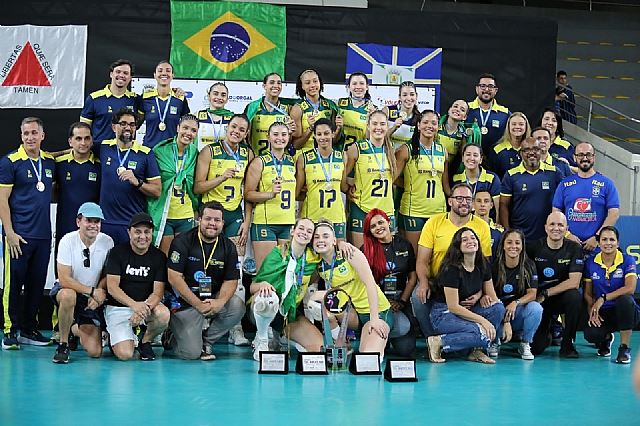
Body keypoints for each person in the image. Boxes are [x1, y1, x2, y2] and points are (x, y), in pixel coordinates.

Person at [194, 113, 253, 346]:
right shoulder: (209, 151)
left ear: (246, 134)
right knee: (205, 266)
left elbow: (249, 192)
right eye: (234, 127)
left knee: (235, 269)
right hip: (211, 214)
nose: (237, 131)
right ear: (227, 128)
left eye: (242, 129)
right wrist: (221, 177)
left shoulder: (248, 154)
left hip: (234, 216)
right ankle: (206, 317)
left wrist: (247, 220)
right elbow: (198, 187)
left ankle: (235, 327)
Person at [164, 201, 245, 360]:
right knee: (190, 354)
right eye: (208, 219)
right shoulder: (183, 241)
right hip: (184, 303)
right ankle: (172, 335)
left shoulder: (228, 246)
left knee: (237, 306)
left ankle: (206, 341)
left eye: (217, 220)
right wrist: (197, 304)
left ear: (222, 223)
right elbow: (174, 277)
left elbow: (231, 281)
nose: (212, 224)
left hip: (210, 300)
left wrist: (220, 302)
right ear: (199, 220)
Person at [0, 117, 56, 349]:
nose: (30, 137)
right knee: (14, 285)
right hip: (18, 236)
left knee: (36, 284)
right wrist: (9, 233)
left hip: (43, 236)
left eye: (34, 133)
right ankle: (10, 330)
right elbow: (2, 199)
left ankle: (29, 329)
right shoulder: (10, 162)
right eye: (26, 134)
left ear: (42, 136)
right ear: (21, 136)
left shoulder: (49, 162)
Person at [412, 183, 492, 339]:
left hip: (467, 284)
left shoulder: (482, 226)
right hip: (437, 282)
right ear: (450, 201)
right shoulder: (433, 222)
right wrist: (423, 282)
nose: (464, 202)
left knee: (493, 306)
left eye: (468, 199)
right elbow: (422, 260)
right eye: (459, 198)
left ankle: (458, 339)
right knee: (417, 296)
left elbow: (484, 264)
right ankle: (432, 338)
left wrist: (480, 292)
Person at [313, 219, 391, 359]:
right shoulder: (318, 265)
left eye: (325, 236)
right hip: (354, 315)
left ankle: (376, 339)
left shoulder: (349, 253)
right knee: (316, 301)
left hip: (376, 311)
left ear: (334, 241)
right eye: (316, 237)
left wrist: (374, 319)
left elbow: (370, 284)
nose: (320, 240)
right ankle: (342, 343)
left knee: (368, 357)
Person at [425, 227, 505, 364]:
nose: (470, 241)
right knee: (481, 332)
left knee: (498, 308)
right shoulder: (451, 269)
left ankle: (476, 350)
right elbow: (453, 307)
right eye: (464, 239)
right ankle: (438, 341)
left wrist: (481, 296)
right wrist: (483, 321)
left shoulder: (483, 264)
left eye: (473, 238)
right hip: (444, 313)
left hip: (468, 311)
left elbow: (493, 297)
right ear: (458, 246)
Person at [249, 218, 322, 359]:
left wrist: (342, 244)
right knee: (269, 298)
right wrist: (262, 285)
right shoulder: (277, 253)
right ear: (292, 231)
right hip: (263, 307)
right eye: (301, 228)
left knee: (318, 347)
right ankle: (262, 340)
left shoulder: (313, 259)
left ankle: (282, 337)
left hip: (289, 314)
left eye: (309, 231)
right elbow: (253, 287)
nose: (304, 233)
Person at [51, 203, 114, 363]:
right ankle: (63, 344)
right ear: (79, 222)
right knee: (67, 295)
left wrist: (98, 292)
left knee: (95, 352)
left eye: (97, 221)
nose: (93, 225)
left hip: (91, 295)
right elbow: (64, 279)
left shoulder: (107, 242)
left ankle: (72, 328)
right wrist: (92, 290)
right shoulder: (67, 241)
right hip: (69, 290)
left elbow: (107, 274)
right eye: (89, 220)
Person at [104, 212, 170, 361]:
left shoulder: (159, 257)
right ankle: (112, 335)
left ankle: (145, 341)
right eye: (137, 232)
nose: (143, 236)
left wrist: (142, 310)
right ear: (129, 233)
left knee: (163, 314)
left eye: (147, 232)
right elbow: (112, 287)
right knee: (125, 355)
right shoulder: (117, 253)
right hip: (119, 307)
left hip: (146, 307)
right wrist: (134, 306)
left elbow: (157, 293)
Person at [99, 108, 161, 245]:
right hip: (105, 222)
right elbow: (80, 148)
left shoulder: (145, 154)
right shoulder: (104, 147)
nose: (128, 128)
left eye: (132, 125)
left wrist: (137, 182)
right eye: (123, 124)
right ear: (114, 127)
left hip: (132, 224)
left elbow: (157, 191)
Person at [527, 211, 584, 357]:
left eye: (560, 225)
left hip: (559, 297)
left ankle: (568, 344)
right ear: (545, 227)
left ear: (566, 228)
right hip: (539, 302)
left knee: (575, 297)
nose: (556, 228)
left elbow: (575, 282)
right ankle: (547, 336)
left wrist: (546, 293)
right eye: (552, 224)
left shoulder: (574, 248)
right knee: (537, 348)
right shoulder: (534, 248)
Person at [362, 209, 416, 357]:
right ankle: (378, 336)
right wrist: (384, 303)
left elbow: (412, 278)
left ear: (389, 222)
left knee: (407, 349)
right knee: (400, 327)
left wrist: (402, 301)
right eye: (373, 226)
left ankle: (383, 337)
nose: (378, 227)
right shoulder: (366, 250)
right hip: (378, 299)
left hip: (400, 296)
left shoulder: (404, 244)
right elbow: (365, 284)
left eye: (380, 222)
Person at [395, 110, 449, 253]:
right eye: (425, 122)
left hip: (438, 210)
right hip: (414, 210)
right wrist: (408, 185)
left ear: (438, 127)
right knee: (415, 254)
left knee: (437, 254)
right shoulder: (406, 149)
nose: (429, 126)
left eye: (434, 123)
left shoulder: (443, 150)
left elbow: (445, 184)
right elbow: (393, 178)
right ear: (418, 125)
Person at [245, 122, 296, 272]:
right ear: (268, 137)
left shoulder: (293, 161)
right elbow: (248, 194)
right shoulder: (259, 162)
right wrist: (270, 194)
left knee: (285, 273)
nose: (279, 138)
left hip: (287, 223)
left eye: (284, 134)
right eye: (275, 134)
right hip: (265, 224)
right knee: (266, 273)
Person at [583, 226, 638, 364]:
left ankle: (624, 348)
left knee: (625, 300)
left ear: (618, 243)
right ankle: (605, 338)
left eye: (612, 239)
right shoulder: (590, 262)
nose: (608, 243)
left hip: (625, 311)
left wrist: (603, 298)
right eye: (604, 239)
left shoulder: (628, 260)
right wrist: (592, 310)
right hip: (603, 312)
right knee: (591, 335)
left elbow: (630, 288)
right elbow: (588, 294)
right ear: (599, 243)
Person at [552, 141, 620, 253]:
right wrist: (567, 235)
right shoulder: (564, 184)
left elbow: (614, 214)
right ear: (574, 157)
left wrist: (597, 237)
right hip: (569, 246)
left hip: (597, 247)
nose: (584, 158)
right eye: (580, 155)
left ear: (594, 157)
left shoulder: (606, 184)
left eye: (588, 155)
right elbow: (556, 213)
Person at [147, 114, 200, 254]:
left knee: (182, 258)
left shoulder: (195, 153)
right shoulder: (160, 150)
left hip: (186, 214)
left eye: (193, 130)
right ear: (177, 128)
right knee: (164, 257)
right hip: (165, 213)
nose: (188, 133)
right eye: (185, 128)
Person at [344, 110, 396, 248]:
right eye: (375, 123)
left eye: (382, 124)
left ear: (387, 126)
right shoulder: (357, 148)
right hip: (362, 208)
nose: (378, 127)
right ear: (368, 125)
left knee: (386, 258)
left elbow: (394, 179)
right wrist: (348, 190)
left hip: (386, 210)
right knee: (362, 256)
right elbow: (341, 176)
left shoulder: (391, 150)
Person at [492, 229, 543, 360]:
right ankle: (494, 341)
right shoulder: (494, 266)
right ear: (503, 245)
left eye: (517, 243)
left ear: (522, 245)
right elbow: (489, 295)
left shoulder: (529, 265)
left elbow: (532, 294)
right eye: (509, 242)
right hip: (498, 312)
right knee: (491, 308)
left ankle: (525, 343)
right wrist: (505, 319)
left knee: (536, 308)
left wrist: (516, 303)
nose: (513, 246)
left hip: (516, 312)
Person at [499, 136, 563, 241]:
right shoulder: (511, 175)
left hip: (548, 236)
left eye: (535, 149)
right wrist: (508, 232)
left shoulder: (554, 172)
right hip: (520, 236)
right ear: (521, 153)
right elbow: (503, 205)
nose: (531, 153)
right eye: (526, 150)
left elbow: (565, 199)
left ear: (541, 151)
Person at [296, 119, 348, 239]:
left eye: (326, 133)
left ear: (333, 134)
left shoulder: (342, 156)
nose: (322, 137)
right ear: (314, 135)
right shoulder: (304, 158)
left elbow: (343, 186)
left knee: (338, 254)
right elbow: (297, 192)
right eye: (319, 134)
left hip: (336, 217)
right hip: (312, 217)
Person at [54, 122, 101, 247]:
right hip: (65, 226)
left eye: (87, 138)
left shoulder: (100, 166)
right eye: (78, 138)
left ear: (92, 140)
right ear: (70, 141)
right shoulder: (59, 164)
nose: (83, 143)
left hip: (92, 229)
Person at [80, 59, 139, 150]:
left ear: (130, 77)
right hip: (98, 153)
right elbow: (83, 129)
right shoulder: (94, 98)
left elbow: (139, 121)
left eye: (126, 73)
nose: (121, 75)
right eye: (118, 72)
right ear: (111, 74)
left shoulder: (135, 99)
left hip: (126, 153)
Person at [139, 60, 190, 149]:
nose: (164, 73)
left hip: (172, 150)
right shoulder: (145, 98)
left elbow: (187, 125)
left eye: (168, 70)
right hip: (150, 149)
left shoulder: (180, 98)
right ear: (154, 75)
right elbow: (137, 123)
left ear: (172, 75)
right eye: (160, 70)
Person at [244, 72, 295, 157]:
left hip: (279, 160)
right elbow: (245, 135)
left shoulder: (288, 109)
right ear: (264, 86)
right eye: (272, 82)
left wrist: (290, 133)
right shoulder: (253, 107)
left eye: (279, 83)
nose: (276, 85)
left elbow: (291, 141)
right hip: (256, 159)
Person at [289, 69, 340, 153]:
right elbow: (296, 145)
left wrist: (339, 128)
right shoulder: (297, 109)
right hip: (305, 157)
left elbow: (334, 141)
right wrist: (310, 129)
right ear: (302, 86)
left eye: (315, 81)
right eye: (307, 83)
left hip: (326, 157)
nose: (312, 85)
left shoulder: (330, 106)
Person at [465, 73, 511, 155]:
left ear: (495, 90)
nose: (486, 89)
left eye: (490, 86)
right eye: (483, 86)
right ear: (477, 89)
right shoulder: (466, 109)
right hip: (470, 159)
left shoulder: (505, 113)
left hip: (496, 160)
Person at [452, 144, 501, 220]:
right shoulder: (456, 179)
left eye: (475, 155)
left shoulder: (492, 178)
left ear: (480, 159)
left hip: (486, 223)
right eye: (468, 155)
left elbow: (498, 207)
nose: (471, 158)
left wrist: (498, 223)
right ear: (462, 158)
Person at [337, 72, 376, 150]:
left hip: (360, 154)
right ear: (349, 87)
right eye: (354, 83)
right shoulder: (339, 104)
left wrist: (370, 120)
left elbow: (371, 141)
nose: (358, 87)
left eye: (361, 83)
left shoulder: (373, 110)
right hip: (339, 154)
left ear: (367, 87)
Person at [488, 112, 530, 179]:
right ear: (508, 126)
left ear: (526, 127)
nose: (517, 127)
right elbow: (493, 176)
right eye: (514, 124)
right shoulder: (497, 150)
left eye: (521, 124)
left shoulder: (531, 149)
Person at [196, 82, 235, 151]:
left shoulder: (233, 119)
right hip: (201, 159)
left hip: (224, 160)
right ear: (208, 96)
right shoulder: (197, 116)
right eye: (215, 94)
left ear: (227, 99)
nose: (219, 97)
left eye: (223, 95)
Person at [386, 81, 420, 149]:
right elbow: (379, 138)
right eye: (404, 95)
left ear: (416, 96)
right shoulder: (388, 111)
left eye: (412, 94)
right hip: (389, 156)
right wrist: (394, 128)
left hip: (407, 158)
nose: (408, 98)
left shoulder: (419, 118)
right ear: (399, 97)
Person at [473, 190, 504, 258]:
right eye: (479, 201)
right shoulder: (465, 229)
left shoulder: (499, 232)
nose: (482, 204)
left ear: (491, 205)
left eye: (486, 201)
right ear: (473, 204)